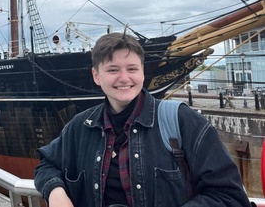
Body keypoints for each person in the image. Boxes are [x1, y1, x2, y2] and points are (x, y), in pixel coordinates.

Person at [34, 32, 250, 207]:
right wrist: (56, 193)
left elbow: (229, 196)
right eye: (112, 70)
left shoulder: (181, 121)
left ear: (143, 73)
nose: (124, 78)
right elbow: (47, 163)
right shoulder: (81, 126)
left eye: (132, 69)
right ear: (96, 76)